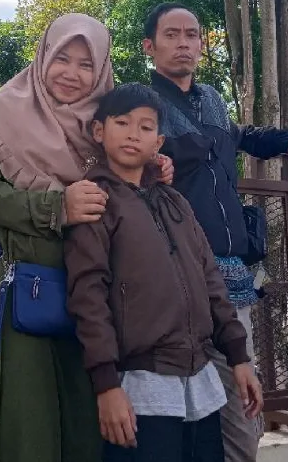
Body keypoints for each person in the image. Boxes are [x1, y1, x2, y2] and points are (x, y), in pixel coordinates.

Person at [0, 14, 173, 462]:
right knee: (24, 417)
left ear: (101, 69)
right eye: (62, 58)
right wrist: (53, 207)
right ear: (43, 56)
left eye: (86, 65)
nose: (71, 74)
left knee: (82, 414)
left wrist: (153, 167)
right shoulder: (6, 111)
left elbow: (128, 158)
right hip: (18, 284)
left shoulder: (104, 120)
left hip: (89, 290)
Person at [141, 2, 288, 462]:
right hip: (169, 273)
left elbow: (241, 135)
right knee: (178, 408)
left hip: (229, 276)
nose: (184, 43)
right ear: (150, 46)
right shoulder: (141, 104)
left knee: (241, 407)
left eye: (192, 35)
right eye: (172, 35)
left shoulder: (212, 100)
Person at [64, 82, 263, 462]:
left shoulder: (176, 203)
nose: (133, 134)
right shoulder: (94, 199)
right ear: (99, 131)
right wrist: (106, 385)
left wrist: (239, 358)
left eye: (145, 126)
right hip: (140, 384)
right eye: (122, 123)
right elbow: (87, 294)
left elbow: (211, 284)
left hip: (200, 380)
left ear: (158, 141)